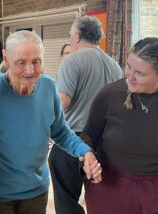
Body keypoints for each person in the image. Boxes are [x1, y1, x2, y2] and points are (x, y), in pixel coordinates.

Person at [0, 30, 102, 214]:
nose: (30, 70)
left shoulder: (48, 87)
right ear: (6, 60)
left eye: (36, 62)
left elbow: (60, 131)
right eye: (21, 63)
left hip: (35, 192)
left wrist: (85, 151)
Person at [82, 37, 158, 214]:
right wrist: (87, 155)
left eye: (140, 73)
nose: (129, 76)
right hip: (111, 188)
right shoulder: (109, 95)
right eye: (128, 66)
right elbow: (88, 135)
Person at [49, 16, 123, 214]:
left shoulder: (72, 60)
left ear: (76, 35)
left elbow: (62, 101)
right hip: (105, 143)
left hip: (73, 141)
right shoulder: (114, 65)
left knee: (66, 200)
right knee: (101, 200)